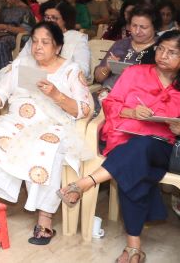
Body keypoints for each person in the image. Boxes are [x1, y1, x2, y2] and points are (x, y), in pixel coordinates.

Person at [0, 21, 93, 246]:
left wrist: (57, 95)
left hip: (53, 125)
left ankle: (45, 216)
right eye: (35, 41)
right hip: (18, 121)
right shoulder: (22, 63)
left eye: (45, 42)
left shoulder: (70, 70)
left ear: (58, 47)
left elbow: (84, 109)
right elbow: (2, 90)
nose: (38, 47)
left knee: (44, 147)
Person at [57, 31, 180, 263]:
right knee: (134, 164)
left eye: (172, 52)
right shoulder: (135, 73)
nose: (163, 55)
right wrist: (132, 112)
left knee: (140, 149)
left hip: (162, 146)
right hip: (124, 136)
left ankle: (85, 183)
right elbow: (111, 103)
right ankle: (134, 248)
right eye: (161, 49)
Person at [93, 4, 160, 97]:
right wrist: (107, 69)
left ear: (154, 28)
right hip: (108, 93)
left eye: (143, 27)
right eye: (134, 26)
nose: (137, 31)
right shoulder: (121, 44)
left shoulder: (160, 48)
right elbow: (98, 78)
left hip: (139, 98)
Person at [19, 0, 92, 78]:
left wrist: (56, 75)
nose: (49, 21)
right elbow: (20, 61)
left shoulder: (77, 38)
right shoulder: (37, 36)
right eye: (46, 17)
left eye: (54, 18)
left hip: (62, 81)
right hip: (32, 77)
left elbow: (84, 70)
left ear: (65, 20)